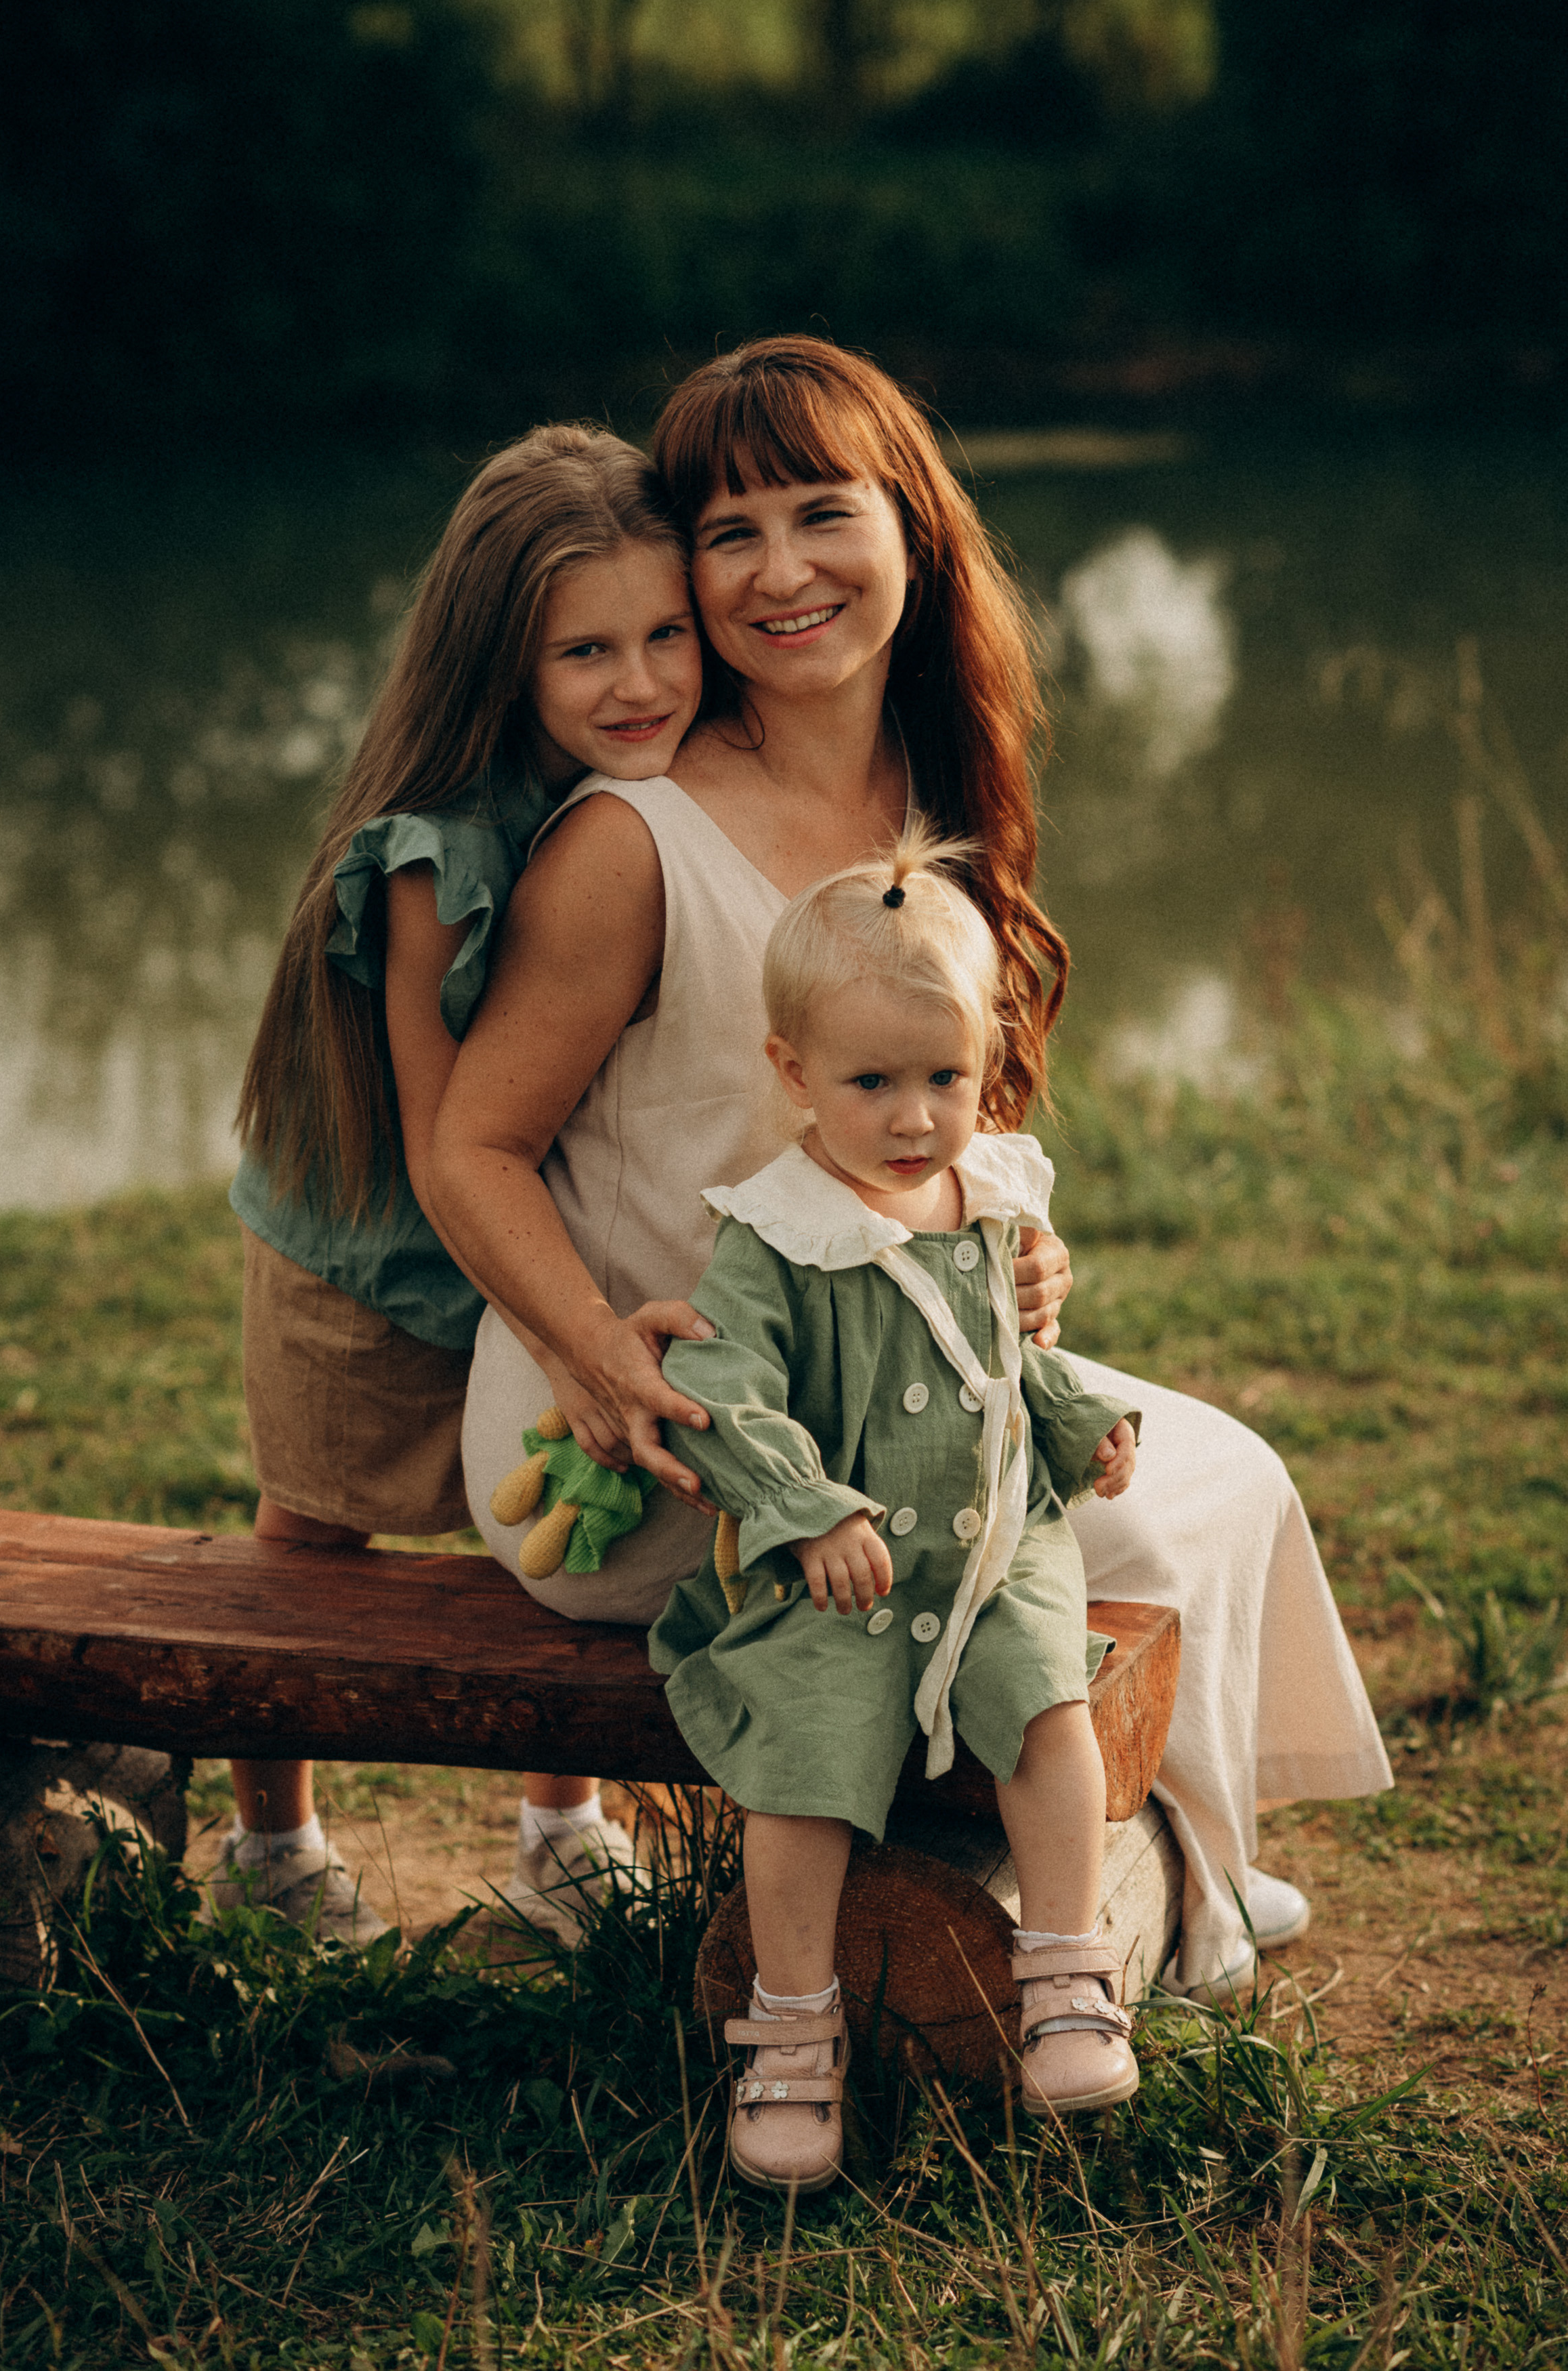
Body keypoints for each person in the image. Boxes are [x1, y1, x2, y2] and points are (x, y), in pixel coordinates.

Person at [434, 334, 1392, 2002]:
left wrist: (1012, 1245)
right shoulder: (633, 838)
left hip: (893, 1364)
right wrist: (601, 1359)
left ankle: (1183, 1864)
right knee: (1128, 1540)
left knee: (1218, 1466)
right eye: (730, 532)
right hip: (669, 1436)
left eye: (824, 512)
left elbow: (939, 1115)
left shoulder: (929, 793)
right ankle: (1146, 1916)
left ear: (913, 530)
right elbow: (471, 1144)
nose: (781, 570)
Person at [219, 424, 705, 1944]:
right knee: (315, 1526)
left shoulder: (651, 800)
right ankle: (273, 1850)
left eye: (666, 635)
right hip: (373, 1258)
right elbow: (447, 1149)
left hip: (543, 1235)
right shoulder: (438, 857)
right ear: (503, 661)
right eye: (587, 651)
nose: (640, 684)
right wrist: (568, 1329)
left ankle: (563, 1833)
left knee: (559, 1531)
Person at [648, 831, 1143, 2191]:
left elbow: (1009, 1359)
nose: (916, 1116)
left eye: (946, 1078)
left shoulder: (988, 1199)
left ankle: (1064, 1967)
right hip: (845, 1573)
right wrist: (803, 1512)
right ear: (793, 1070)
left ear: (986, 1061)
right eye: (873, 1082)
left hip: (993, 1548)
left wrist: (1081, 1422)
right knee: (804, 1766)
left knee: (1051, 1707)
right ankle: (793, 2025)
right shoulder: (775, 1233)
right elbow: (720, 1386)